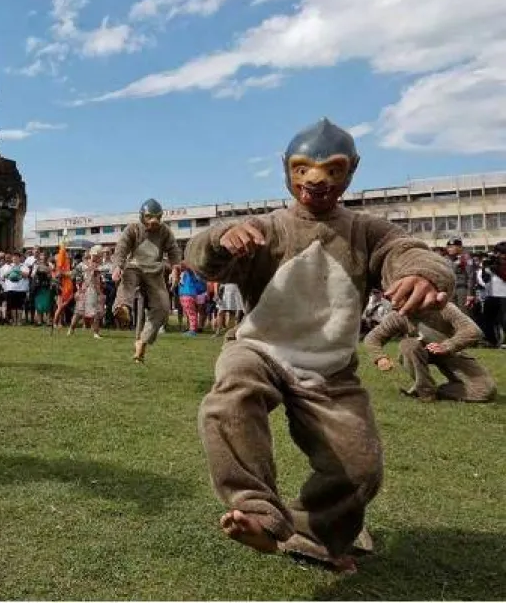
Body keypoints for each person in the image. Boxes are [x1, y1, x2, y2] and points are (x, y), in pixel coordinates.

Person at [185, 117, 454, 573]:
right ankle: (255, 512)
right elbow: (201, 255)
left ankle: (312, 535)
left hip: (331, 370)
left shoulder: (367, 230)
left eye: (333, 169)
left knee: (360, 467)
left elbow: (407, 251)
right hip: (261, 348)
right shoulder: (267, 227)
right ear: (286, 169)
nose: (317, 179)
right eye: (303, 167)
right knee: (231, 393)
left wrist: (421, 274)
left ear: (351, 171)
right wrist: (219, 241)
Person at [364, 302, 496, 403]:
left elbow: (473, 331)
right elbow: (372, 338)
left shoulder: (444, 308)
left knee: (485, 391)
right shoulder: (398, 315)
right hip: (419, 351)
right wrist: (379, 357)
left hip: (451, 352)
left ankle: (435, 391)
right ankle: (425, 391)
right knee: (408, 345)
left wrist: (447, 345)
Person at [112, 198, 181, 362]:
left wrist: (176, 268)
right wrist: (118, 266)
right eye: (150, 217)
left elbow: (173, 250)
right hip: (134, 267)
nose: (153, 221)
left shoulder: (165, 231)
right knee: (127, 279)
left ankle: (143, 340)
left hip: (155, 272)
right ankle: (123, 308)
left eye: (157, 217)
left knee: (163, 309)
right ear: (142, 216)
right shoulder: (133, 229)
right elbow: (122, 247)